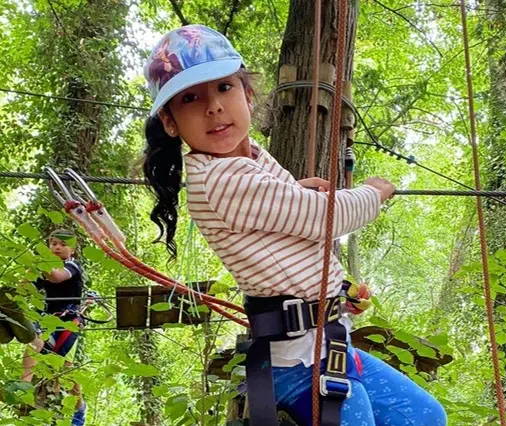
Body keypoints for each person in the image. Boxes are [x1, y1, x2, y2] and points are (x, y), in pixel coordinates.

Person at [142, 25, 447, 426]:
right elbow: (325, 219)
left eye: (224, 88)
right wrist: (375, 192)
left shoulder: (249, 160)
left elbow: (275, 217)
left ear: (247, 94)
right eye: (190, 98)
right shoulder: (221, 180)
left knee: (425, 416)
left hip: (328, 346)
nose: (213, 107)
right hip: (300, 364)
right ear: (170, 122)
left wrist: (291, 194)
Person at [22, 229, 87, 426]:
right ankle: (22, 388)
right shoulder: (43, 269)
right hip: (48, 319)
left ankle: (80, 408)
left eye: (62, 244)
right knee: (33, 344)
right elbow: (23, 289)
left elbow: (57, 277)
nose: (57, 247)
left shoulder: (72, 266)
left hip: (69, 321)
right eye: (53, 244)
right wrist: (29, 270)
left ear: (72, 250)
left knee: (66, 370)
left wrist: (41, 263)